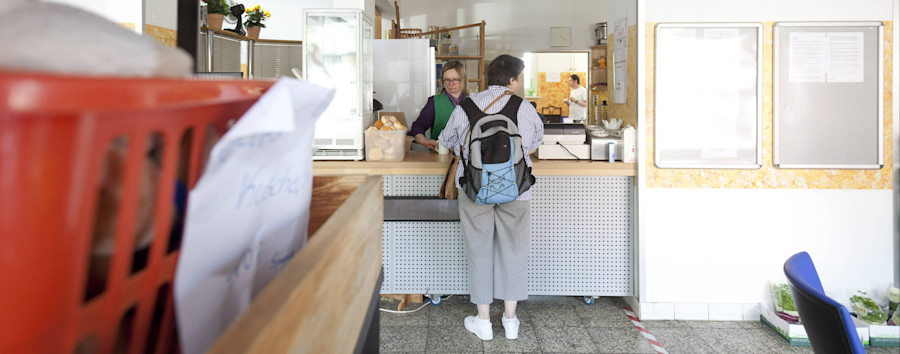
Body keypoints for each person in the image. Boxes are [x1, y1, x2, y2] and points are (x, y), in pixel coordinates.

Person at [438, 54, 543, 341]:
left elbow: (446, 141)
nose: (519, 83)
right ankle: (510, 320)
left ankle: (483, 321)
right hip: (517, 187)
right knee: (515, 249)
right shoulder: (524, 107)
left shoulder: (466, 106)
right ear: (512, 80)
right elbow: (533, 143)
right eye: (519, 78)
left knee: (478, 249)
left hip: (474, 186)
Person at [408, 61, 469, 151]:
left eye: (455, 79)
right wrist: (425, 141)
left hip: (468, 158)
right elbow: (418, 127)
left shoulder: (472, 102)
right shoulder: (434, 102)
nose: (451, 84)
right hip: (441, 156)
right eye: (447, 80)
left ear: (463, 79)